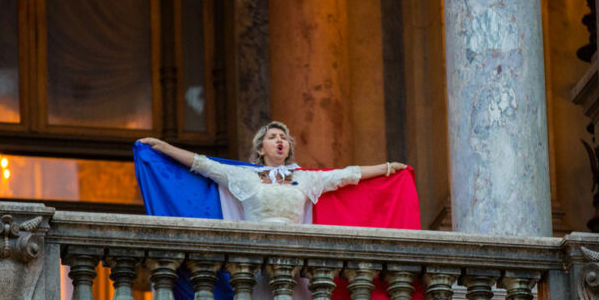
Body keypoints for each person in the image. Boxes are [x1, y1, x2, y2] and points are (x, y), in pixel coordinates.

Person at [140, 121, 407, 225]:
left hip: (295, 257)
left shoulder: (306, 178)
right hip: (255, 258)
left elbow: (347, 175)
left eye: (284, 137)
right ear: (261, 148)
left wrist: (385, 169)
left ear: (288, 148)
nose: (280, 140)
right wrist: (164, 147)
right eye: (272, 136)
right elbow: (202, 164)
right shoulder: (242, 175)